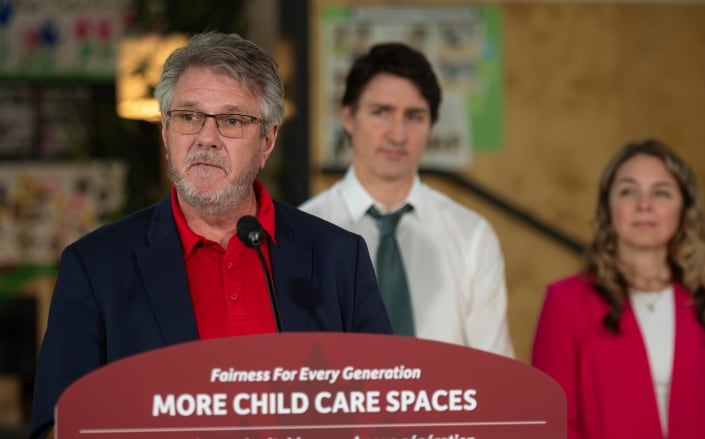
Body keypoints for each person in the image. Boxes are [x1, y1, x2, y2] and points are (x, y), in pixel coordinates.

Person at [29, 32, 391, 439]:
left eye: (233, 121)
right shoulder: (96, 266)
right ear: (166, 132)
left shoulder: (339, 257)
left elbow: (385, 412)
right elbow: (54, 426)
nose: (206, 137)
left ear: (267, 140)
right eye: (188, 117)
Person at [531, 139, 705, 438]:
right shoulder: (565, 302)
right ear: (608, 208)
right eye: (628, 191)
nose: (644, 205)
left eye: (661, 193)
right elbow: (554, 422)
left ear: (684, 209)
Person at [300, 42, 514, 358]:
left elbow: (495, 372)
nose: (397, 135)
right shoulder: (303, 233)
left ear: (431, 126)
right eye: (381, 112)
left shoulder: (471, 236)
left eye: (414, 117)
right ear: (348, 117)